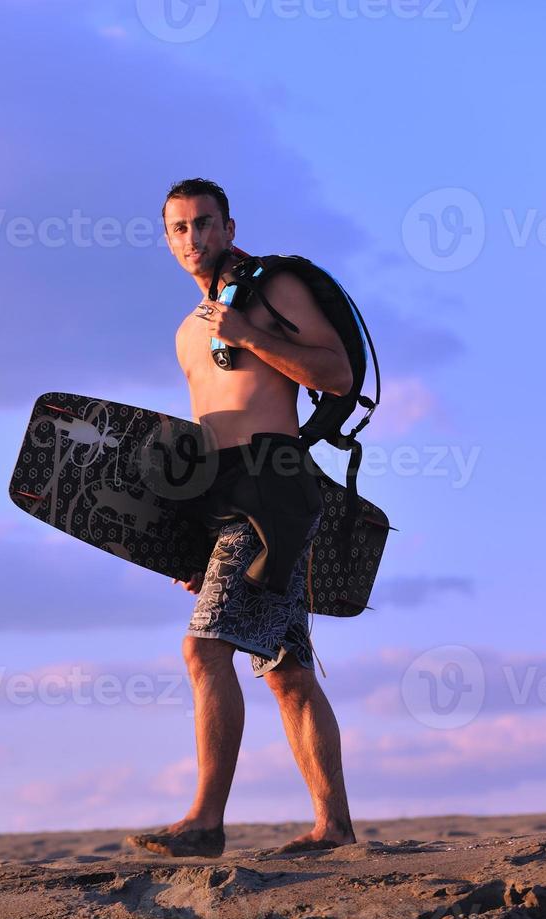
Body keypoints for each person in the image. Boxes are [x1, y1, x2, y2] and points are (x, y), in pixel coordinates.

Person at [124, 178, 357, 858]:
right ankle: (334, 829)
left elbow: (336, 374)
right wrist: (194, 546)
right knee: (286, 670)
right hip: (227, 500)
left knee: (203, 650)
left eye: (204, 224)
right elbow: (206, 446)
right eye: (179, 228)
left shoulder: (272, 292)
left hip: (277, 487)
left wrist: (251, 333)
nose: (193, 238)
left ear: (228, 226)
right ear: (168, 239)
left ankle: (204, 823)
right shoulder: (185, 335)